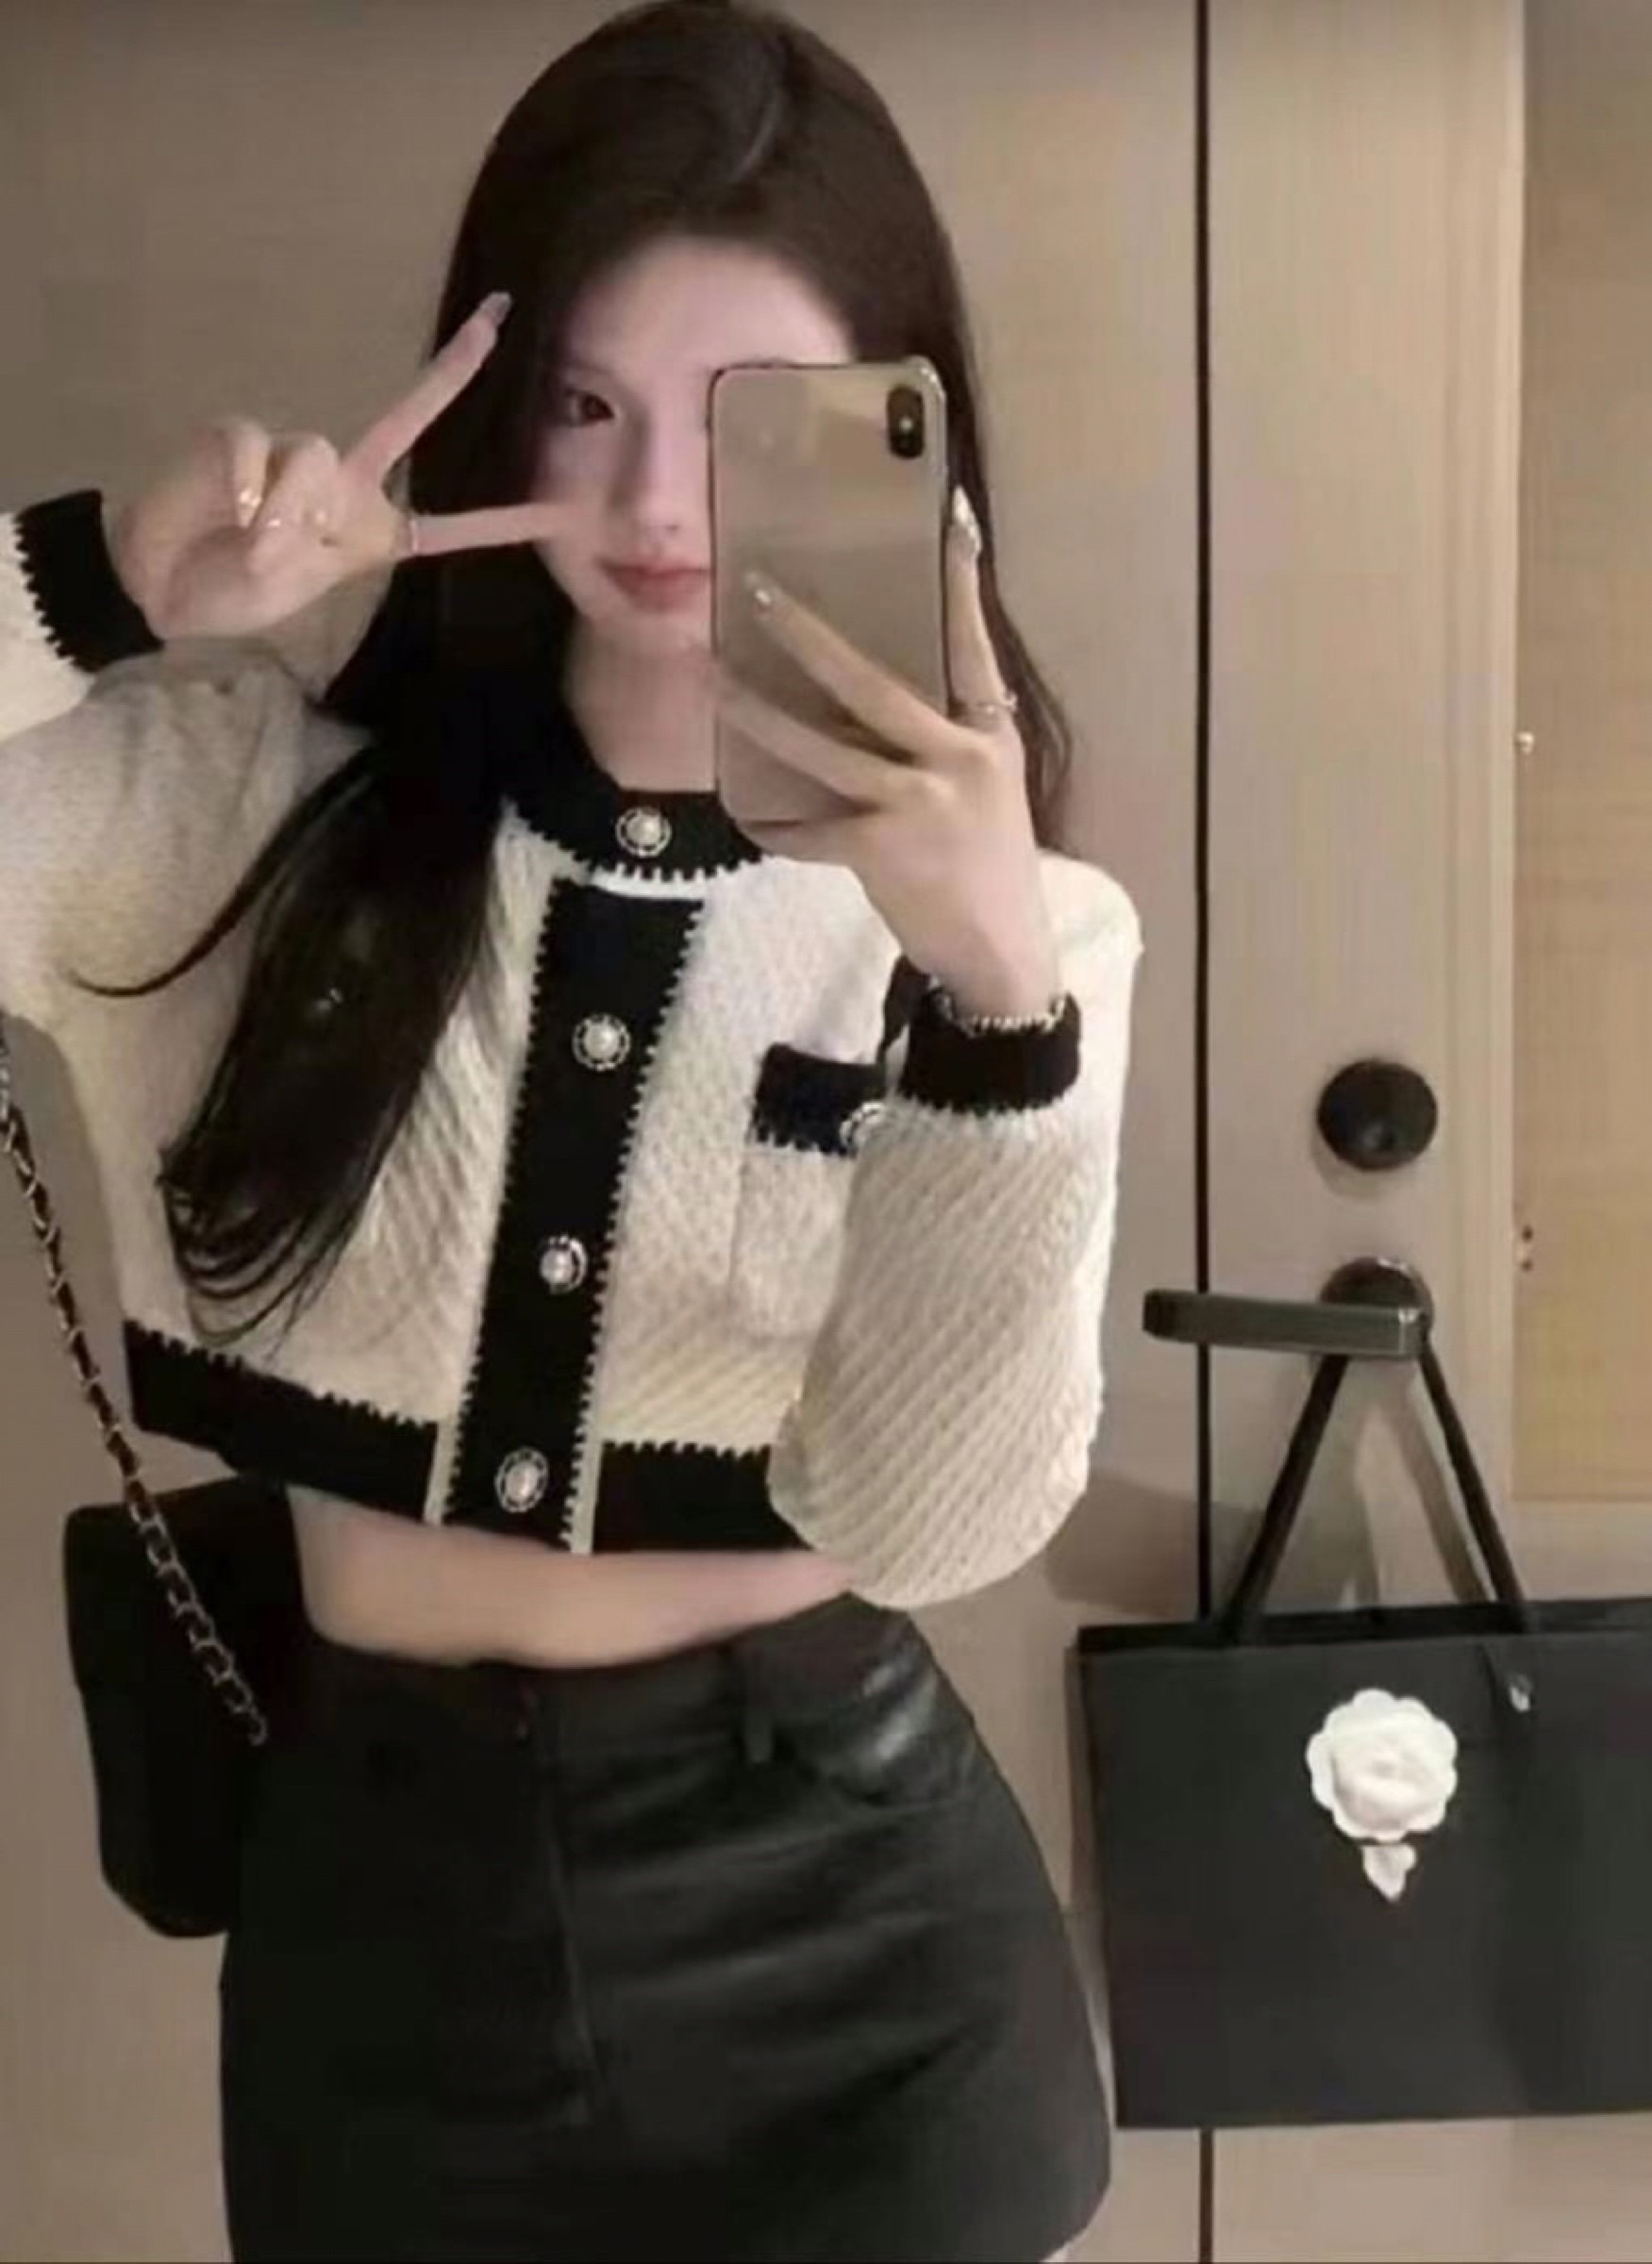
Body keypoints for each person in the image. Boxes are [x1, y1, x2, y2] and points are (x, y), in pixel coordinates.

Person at [1, 3, 1143, 2256]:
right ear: (492, 399)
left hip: (861, 1943)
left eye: (749, 420)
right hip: (380, 1928)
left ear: (902, 430)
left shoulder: (1033, 933)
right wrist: (94, 586)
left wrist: (988, 1002)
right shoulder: (226, 814)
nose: (652, 510)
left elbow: (938, 1525)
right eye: (588, 406)